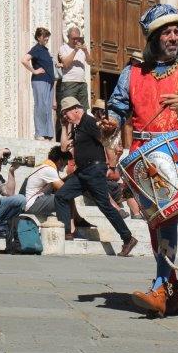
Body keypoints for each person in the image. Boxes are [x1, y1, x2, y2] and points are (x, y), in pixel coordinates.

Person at [102, 4, 178, 316]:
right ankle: (173, 293)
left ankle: (160, 287)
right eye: (166, 32)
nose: (173, 37)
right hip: (140, 158)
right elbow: (118, 106)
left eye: (177, 31)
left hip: (173, 156)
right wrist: (111, 123)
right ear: (153, 38)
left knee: (165, 219)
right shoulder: (132, 73)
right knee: (155, 222)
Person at [54, 97, 138, 253]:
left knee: (105, 206)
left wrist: (112, 166)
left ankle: (128, 238)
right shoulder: (77, 127)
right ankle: (66, 232)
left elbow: (107, 141)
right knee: (61, 196)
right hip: (82, 172)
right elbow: (64, 148)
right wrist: (64, 126)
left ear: (76, 109)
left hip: (94, 170)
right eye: (63, 114)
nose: (65, 116)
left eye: (66, 113)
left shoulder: (89, 122)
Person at [21, 27, 56, 140]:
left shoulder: (45, 50)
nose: (46, 38)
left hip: (49, 81)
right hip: (40, 81)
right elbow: (24, 60)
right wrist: (34, 71)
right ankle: (39, 133)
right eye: (44, 36)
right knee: (40, 106)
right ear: (38, 37)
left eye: (47, 36)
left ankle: (48, 134)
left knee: (47, 108)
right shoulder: (36, 49)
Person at [58, 26, 91, 112]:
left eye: (78, 38)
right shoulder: (63, 48)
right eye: (73, 38)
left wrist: (86, 51)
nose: (76, 41)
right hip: (69, 83)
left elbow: (90, 62)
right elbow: (65, 64)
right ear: (68, 37)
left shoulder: (82, 49)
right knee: (69, 110)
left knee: (83, 111)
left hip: (82, 83)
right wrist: (75, 50)